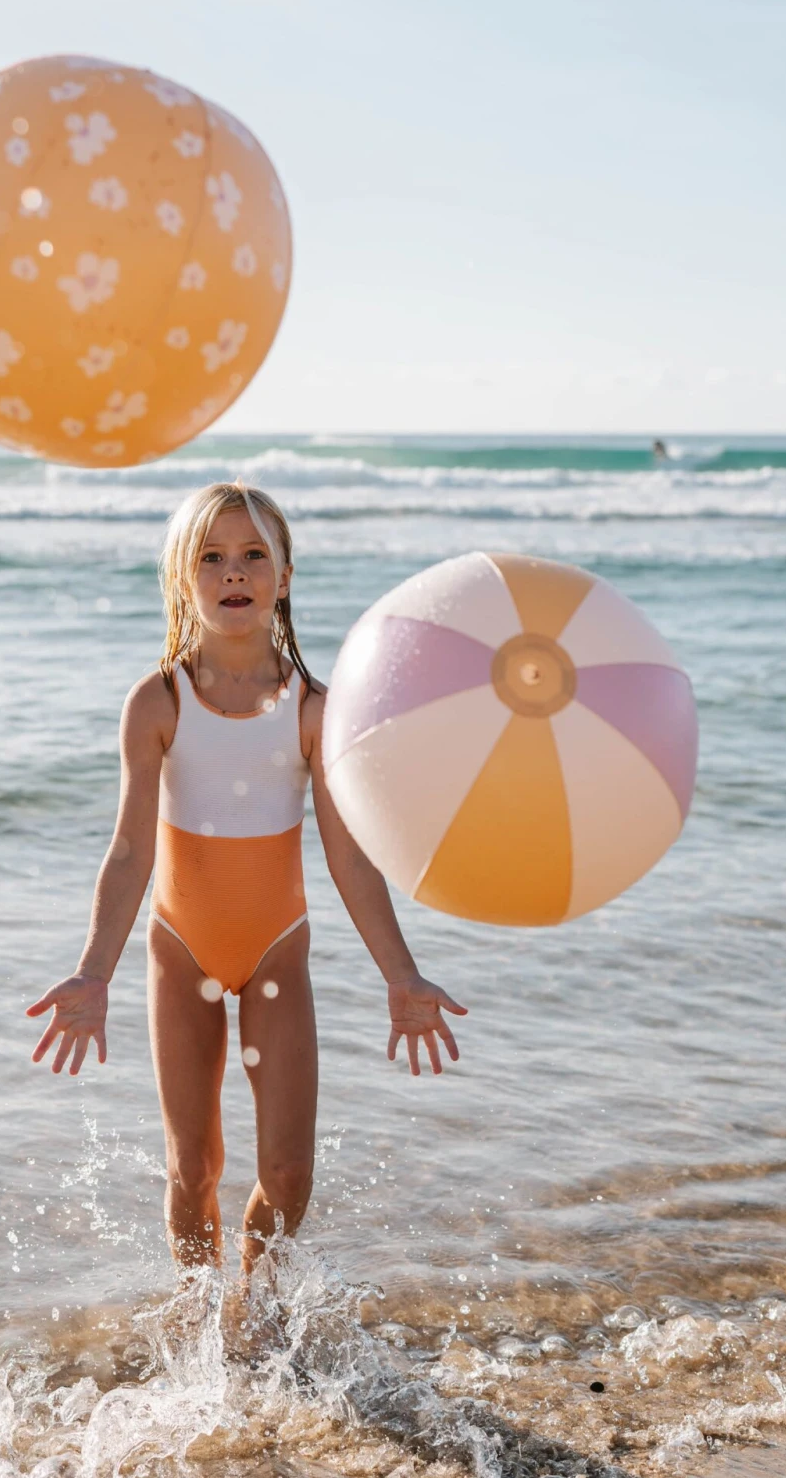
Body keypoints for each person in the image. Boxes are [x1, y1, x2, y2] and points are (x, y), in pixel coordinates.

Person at [27, 481, 466, 1272]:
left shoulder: (314, 710)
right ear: (183, 580)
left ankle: (250, 1314)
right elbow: (130, 852)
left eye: (254, 555)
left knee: (289, 1176)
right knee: (192, 1170)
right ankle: (200, 1341)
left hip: (275, 955)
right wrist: (95, 973)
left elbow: (350, 856)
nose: (235, 573)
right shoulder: (158, 701)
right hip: (180, 951)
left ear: (285, 575)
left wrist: (401, 976)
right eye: (212, 558)